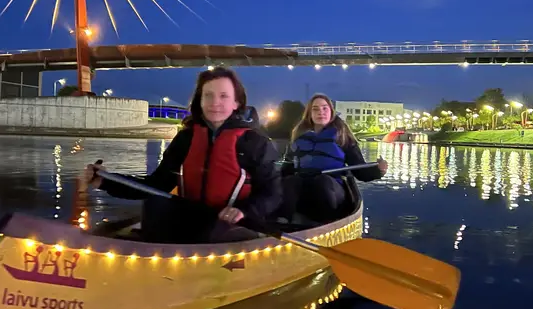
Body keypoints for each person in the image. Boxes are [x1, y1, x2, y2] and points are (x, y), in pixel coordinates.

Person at [84, 67, 281, 243]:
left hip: (235, 222)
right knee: (156, 202)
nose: (215, 103)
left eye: (224, 96)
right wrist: (106, 182)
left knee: (212, 232)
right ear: (200, 100)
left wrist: (244, 210)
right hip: (192, 216)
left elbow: (272, 193)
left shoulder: (255, 142)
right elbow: (156, 185)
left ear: (236, 103)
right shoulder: (186, 138)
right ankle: (155, 259)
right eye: (208, 96)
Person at [280, 93, 387, 222]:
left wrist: (379, 171)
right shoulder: (298, 137)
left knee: (322, 182)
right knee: (290, 182)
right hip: (304, 189)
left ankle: (326, 224)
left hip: (332, 190)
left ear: (331, 111)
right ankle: (284, 222)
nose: (321, 112)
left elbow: (360, 172)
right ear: (309, 114)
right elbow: (285, 170)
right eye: (316, 109)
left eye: (325, 108)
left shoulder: (342, 136)